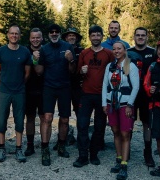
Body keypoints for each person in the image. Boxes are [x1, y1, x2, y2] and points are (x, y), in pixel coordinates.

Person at [34, 24, 76, 166]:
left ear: (60, 33)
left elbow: (72, 71)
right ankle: (45, 149)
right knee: (47, 117)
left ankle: (61, 145)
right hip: (49, 87)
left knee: (64, 119)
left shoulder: (67, 47)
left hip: (64, 87)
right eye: (51, 32)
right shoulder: (44, 49)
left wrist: (70, 60)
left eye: (56, 32)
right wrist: (35, 60)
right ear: (48, 34)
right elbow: (39, 72)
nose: (53, 34)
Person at [73, 25, 114, 168]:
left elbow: (115, 71)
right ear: (89, 37)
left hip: (102, 95)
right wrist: (82, 71)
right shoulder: (85, 53)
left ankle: (94, 153)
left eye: (98, 35)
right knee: (82, 125)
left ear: (102, 36)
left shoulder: (109, 53)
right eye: (93, 35)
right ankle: (83, 155)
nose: (95, 37)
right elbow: (77, 73)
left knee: (99, 126)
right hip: (86, 94)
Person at [0, 25, 31, 163]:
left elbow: (27, 73)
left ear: (19, 36)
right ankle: (2, 148)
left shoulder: (25, 52)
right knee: (1, 119)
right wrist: (0, 86)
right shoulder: (1, 51)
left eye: (17, 34)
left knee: (19, 120)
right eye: (12, 33)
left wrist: (19, 85)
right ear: (8, 35)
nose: (14, 36)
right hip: (4, 91)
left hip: (19, 92)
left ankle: (18, 148)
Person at [102, 41, 139, 180]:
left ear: (124, 50)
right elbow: (105, 85)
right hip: (112, 103)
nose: (116, 51)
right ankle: (118, 159)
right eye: (114, 49)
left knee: (125, 133)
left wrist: (130, 104)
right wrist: (104, 103)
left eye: (119, 48)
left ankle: (124, 164)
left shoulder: (130, 65)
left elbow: (135, 87)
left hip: (125, 104)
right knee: (115, 131)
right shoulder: (110, 66)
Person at [127, 27, 156, 167]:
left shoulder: (153, 53)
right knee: (129, 123)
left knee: (147, 124)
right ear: (134, 37)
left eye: (143, 35)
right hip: (132, 94)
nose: (140, 37)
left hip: (147, 95)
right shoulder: (128, 53)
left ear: (146, 37)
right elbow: (124, 72)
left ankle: (148, 152)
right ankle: (127, 150)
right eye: (138, 35)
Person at [144, 39, 160, 180]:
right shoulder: (153, 65)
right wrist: (150, 90)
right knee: (158, 137)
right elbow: (146, 83)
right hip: (155, 105)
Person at [24, 28, 44, 156]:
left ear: (42, 38)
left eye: (38, 37)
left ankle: (44, 144)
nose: (35, 40)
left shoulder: (46, 50)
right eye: (33, 37)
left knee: (44, 118)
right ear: (30, 39)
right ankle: (30, 145)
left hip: (44, 89)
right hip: (28, 89)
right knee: (30, 118)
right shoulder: (25, 51)